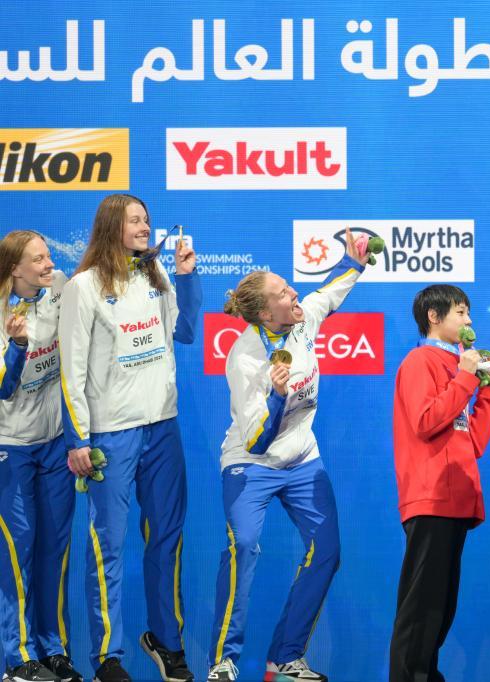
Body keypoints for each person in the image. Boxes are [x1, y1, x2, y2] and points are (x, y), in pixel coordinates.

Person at [205, 229, 370, 682]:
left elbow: (327, 294)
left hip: (301, 460)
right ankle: (223, 661)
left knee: (327, 551)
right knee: (243, 545)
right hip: (250, 464)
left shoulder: (301, 319)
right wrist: (277, 398)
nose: (294, 293)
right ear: (264, 313)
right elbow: (256, 441)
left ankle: (285, 658)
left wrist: (354, 263)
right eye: (283, 292)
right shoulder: (244, 358)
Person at [59, 195, 200, 682]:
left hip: (163, 427)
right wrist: (77, 439)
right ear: (110, 227)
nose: (144, 226)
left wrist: (186, 276)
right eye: (134, 220)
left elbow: (186, 331)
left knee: (166, 538)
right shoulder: (83, 286)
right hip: (110, 435)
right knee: (109, 546)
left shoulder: (154, 274)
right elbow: (72, 368)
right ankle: (107, 657)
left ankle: (167, 641)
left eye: (146, 219)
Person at [388, 285, 490, 682]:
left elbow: (472, 442)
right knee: (421, 607)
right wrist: (466, 377)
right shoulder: (420, 360)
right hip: (431, 495)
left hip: (456, 499)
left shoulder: (457, 366)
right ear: (434, 317)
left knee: (440, 607)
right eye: (460, 312)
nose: (469, 320)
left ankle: (426, 674)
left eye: (469, 312)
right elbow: (425, 421)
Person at [0, 231, 83, 682]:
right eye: (38, 259)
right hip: (10, 446)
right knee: (19, 552)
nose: (49, 264)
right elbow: (4, 388)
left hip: (54, 443)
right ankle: (18, 658)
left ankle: (54, 649)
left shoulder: (59, 287)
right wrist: (16, 346)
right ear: (15, 268)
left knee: (54, 549)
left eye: (49, 256)